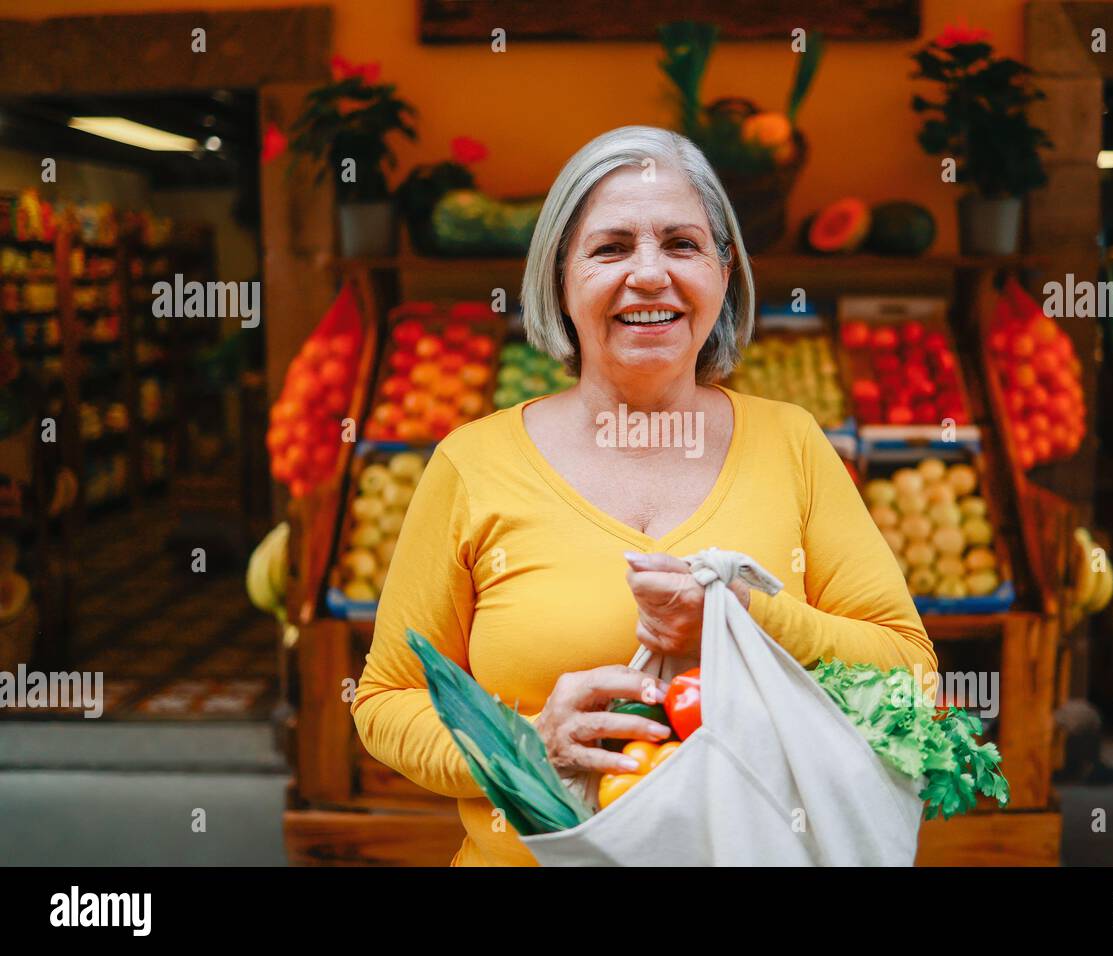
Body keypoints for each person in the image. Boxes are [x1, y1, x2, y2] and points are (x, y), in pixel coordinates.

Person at [352, 125, 935, 866]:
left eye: (682, 244)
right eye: (612, 247)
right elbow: (384, 702)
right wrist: (528, 746)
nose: (650, 275)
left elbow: (908, 671)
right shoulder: (474, 464)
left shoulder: (792, 445)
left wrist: (746, 621)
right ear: (561, 275)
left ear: (724, 271)